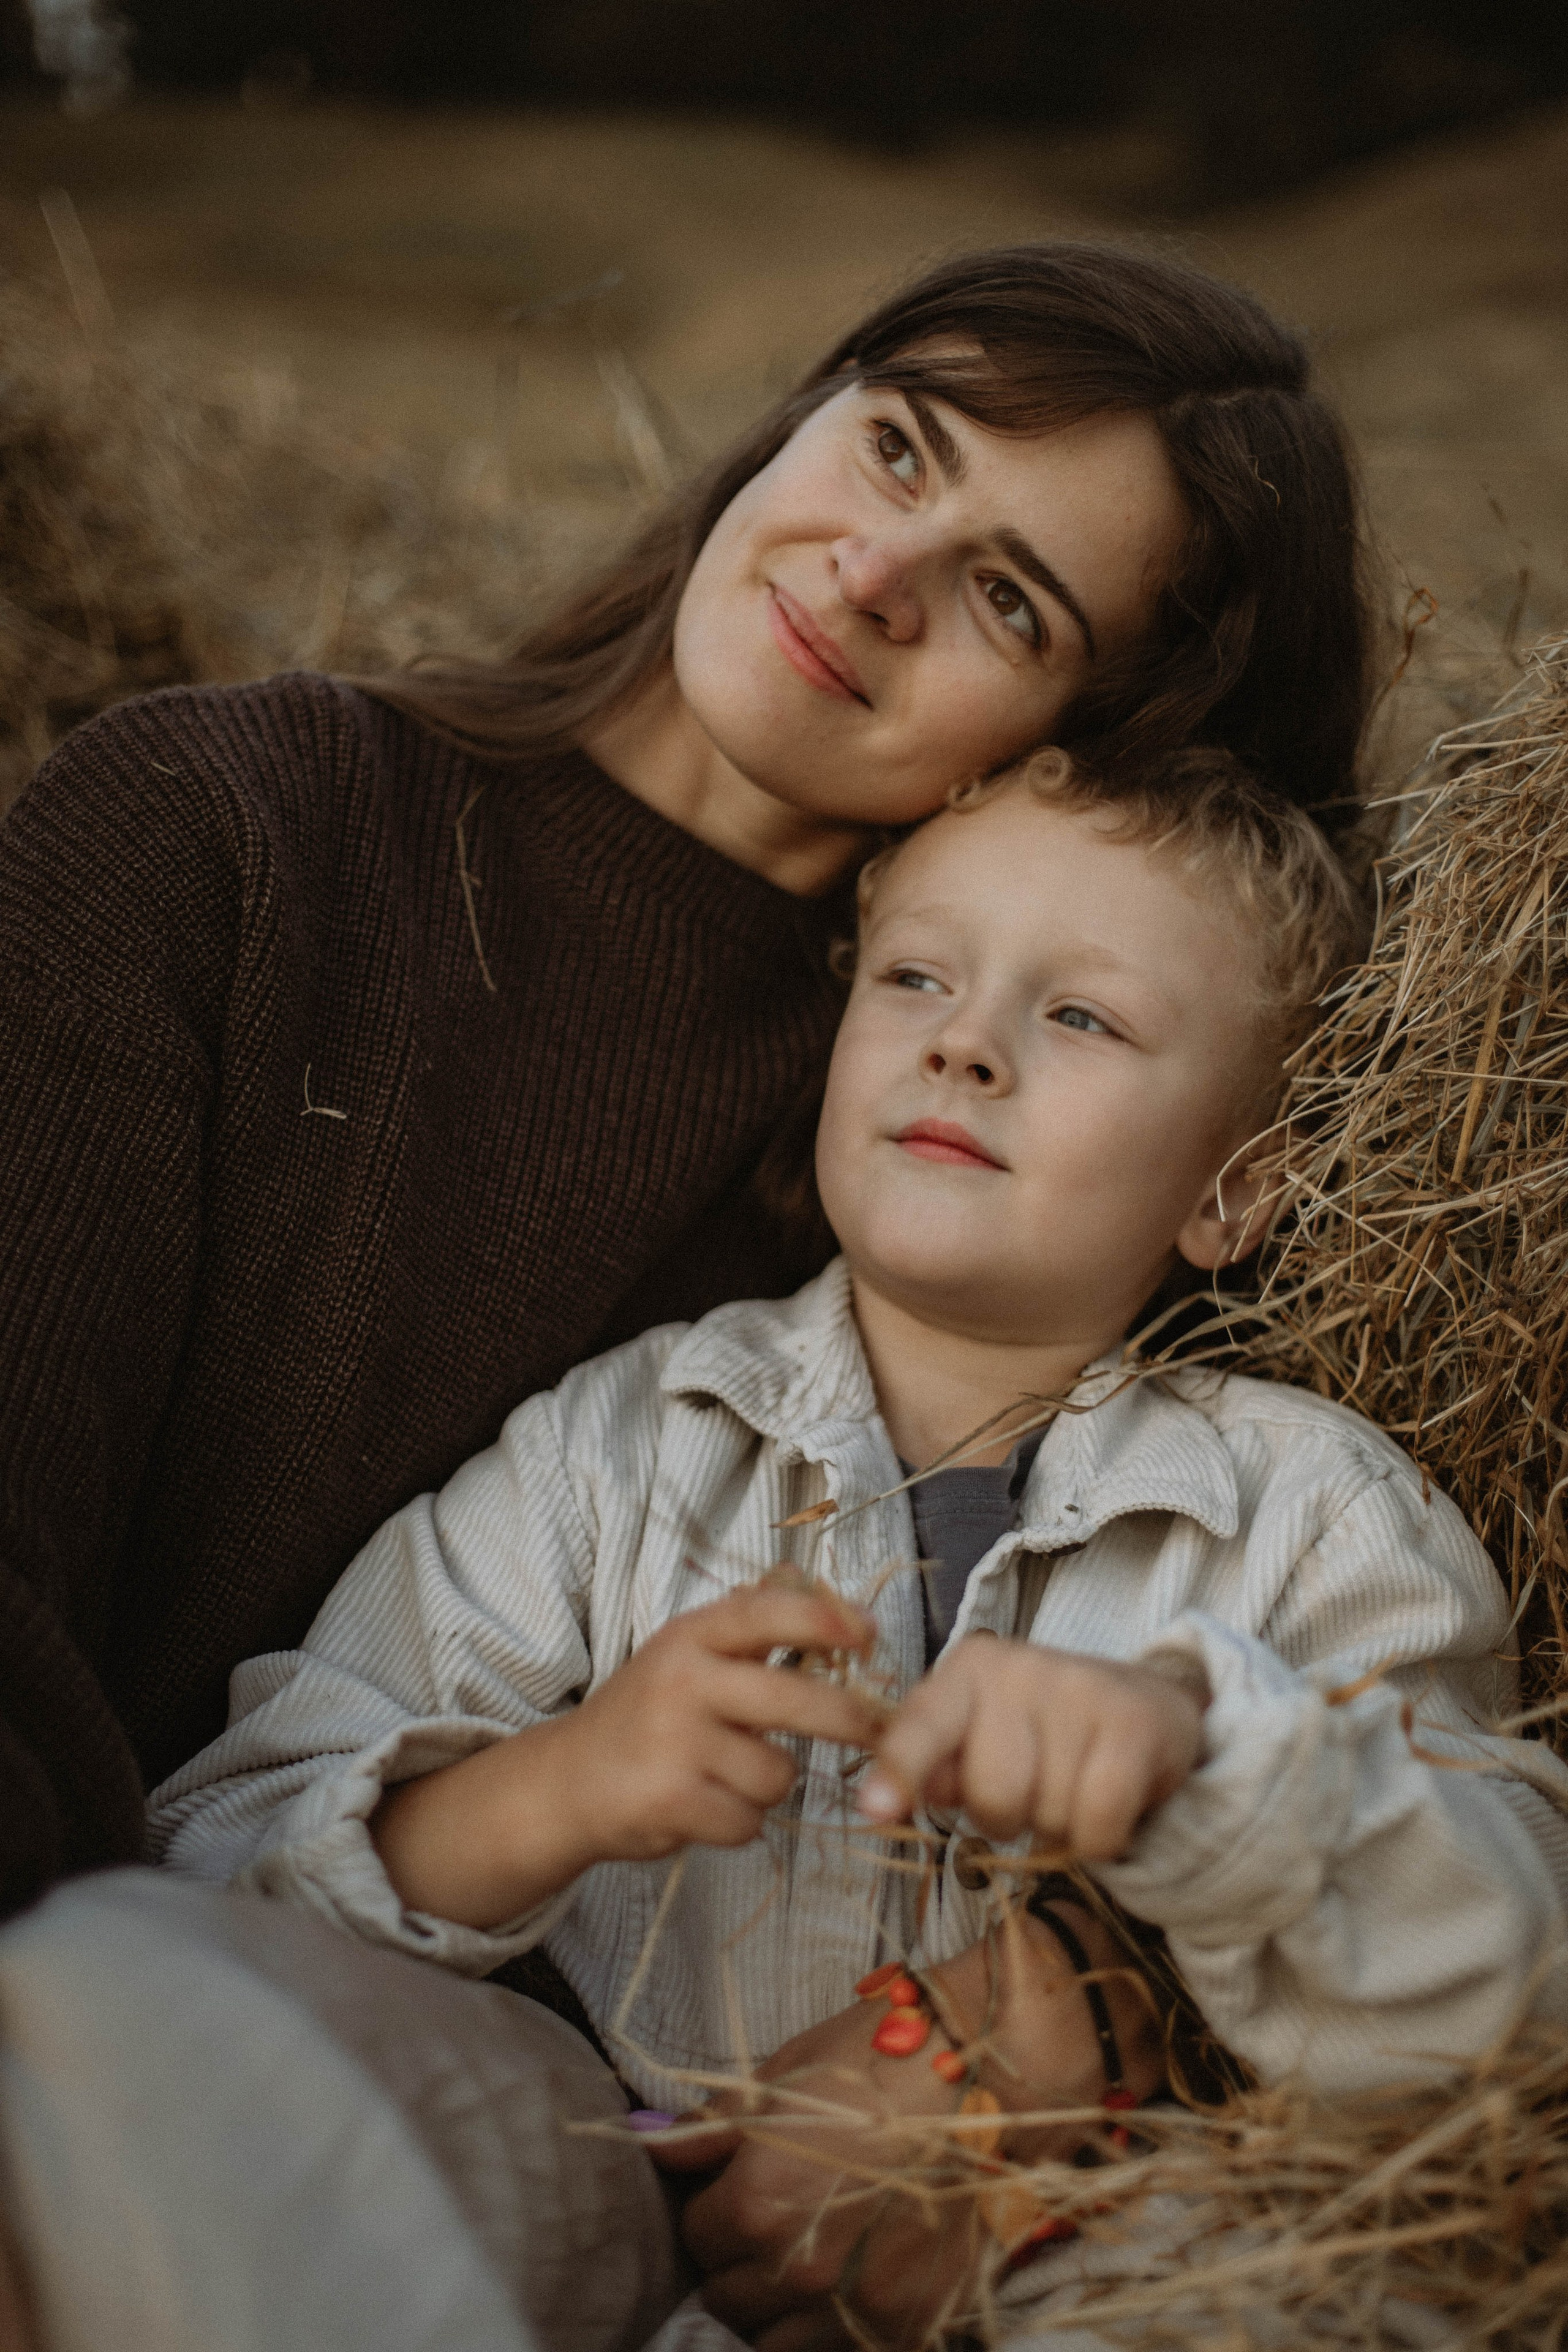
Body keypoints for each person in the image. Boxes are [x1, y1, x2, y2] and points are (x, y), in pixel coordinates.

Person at [0, 240, 1378, 1917]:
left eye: (1011, 599)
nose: (879, 569)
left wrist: (1075, 1997)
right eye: (898, 445)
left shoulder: (952, 1150)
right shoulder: (223, 826)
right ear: (799, 418)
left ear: (1091, 752)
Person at [148, 752, 1568, 2351]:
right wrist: (556, 1788)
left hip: (1078, 2247)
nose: (965, 1040)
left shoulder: (1313, 1513)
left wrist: (1206, 1763)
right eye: (916, 977)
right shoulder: (623, 1446)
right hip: (618, 2192)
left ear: (1233, 1191)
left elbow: (1512, 2009)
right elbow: (218, 1853)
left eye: (1081, 1015)